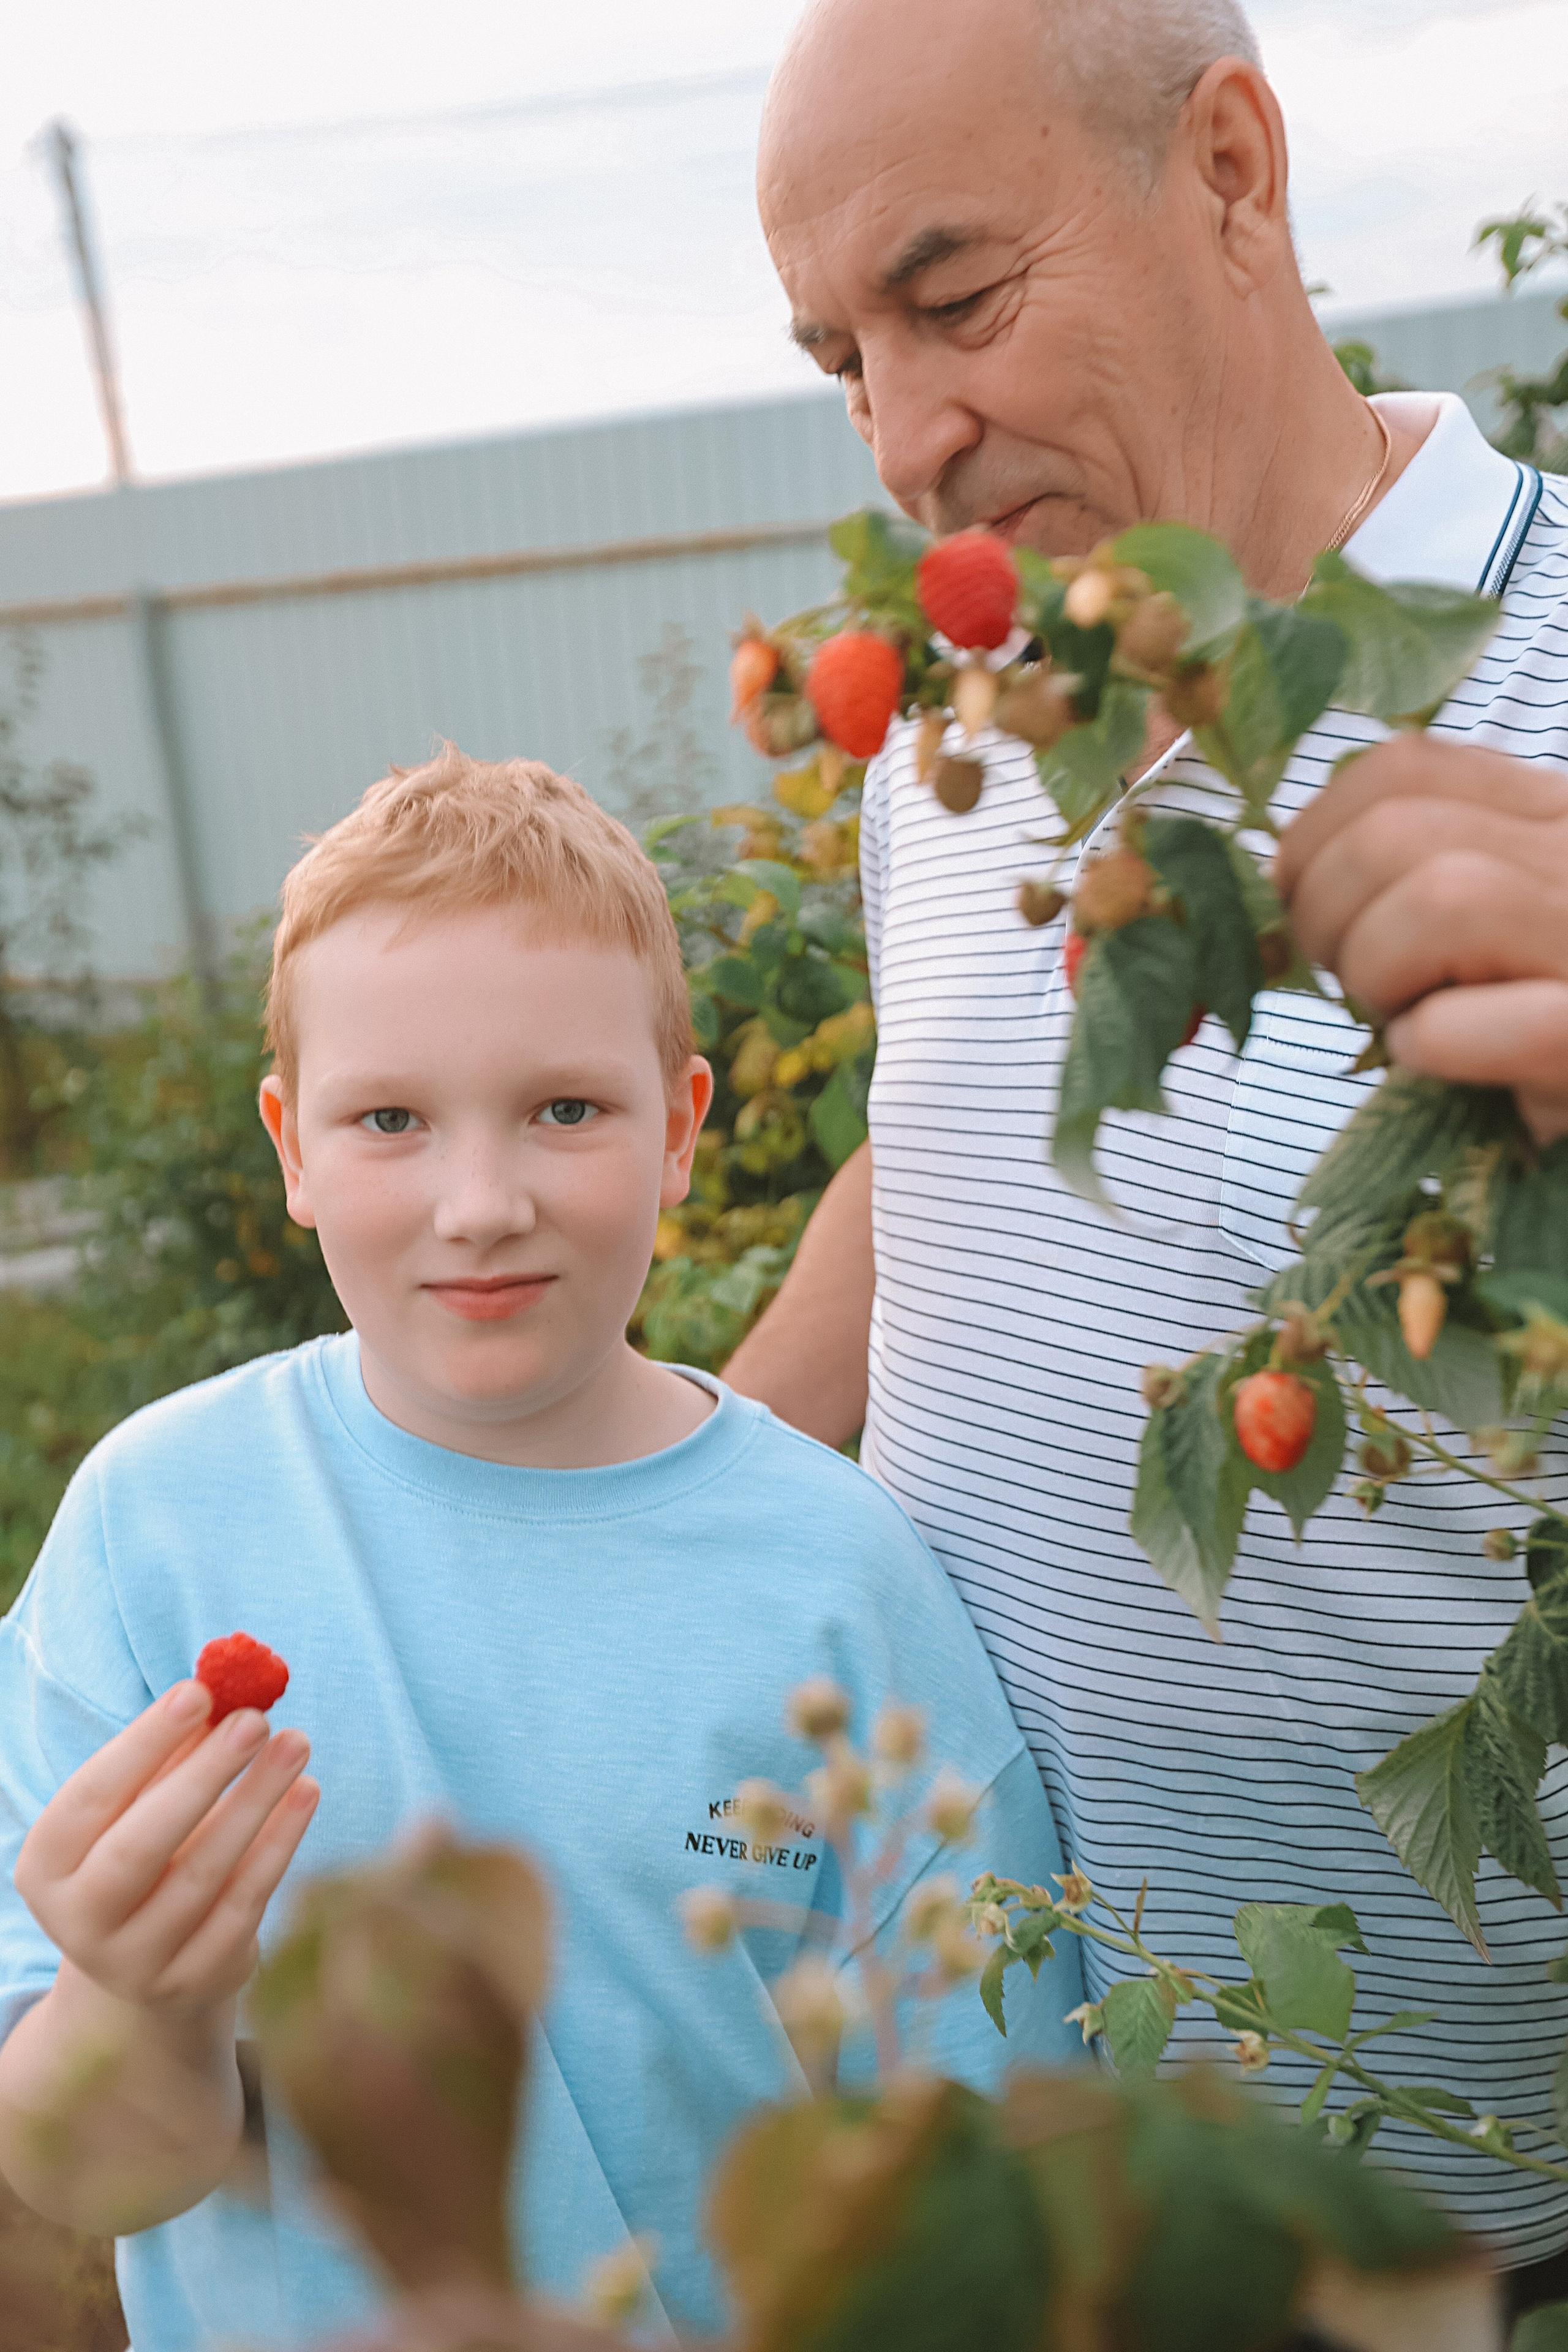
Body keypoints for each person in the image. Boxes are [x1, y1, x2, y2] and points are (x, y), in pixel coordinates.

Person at [727, 0, 1568, 2297]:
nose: (907, 439)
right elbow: (943, 1155)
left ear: (1228, 166)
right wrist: (640, 1479)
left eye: (954, 300)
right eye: (838, 360)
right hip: (1040, 2176)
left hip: (1480, 2221)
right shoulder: (970, 737)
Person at [0, 747, 1084, 2350]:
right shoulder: (155, 1529)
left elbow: (986, 2160)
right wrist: (146, 2000)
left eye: (564, 1109)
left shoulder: (839, 1578)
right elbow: (92, 2180)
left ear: (681, 1130)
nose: (482, 1200)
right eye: (391, 1122)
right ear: (294, 1148)